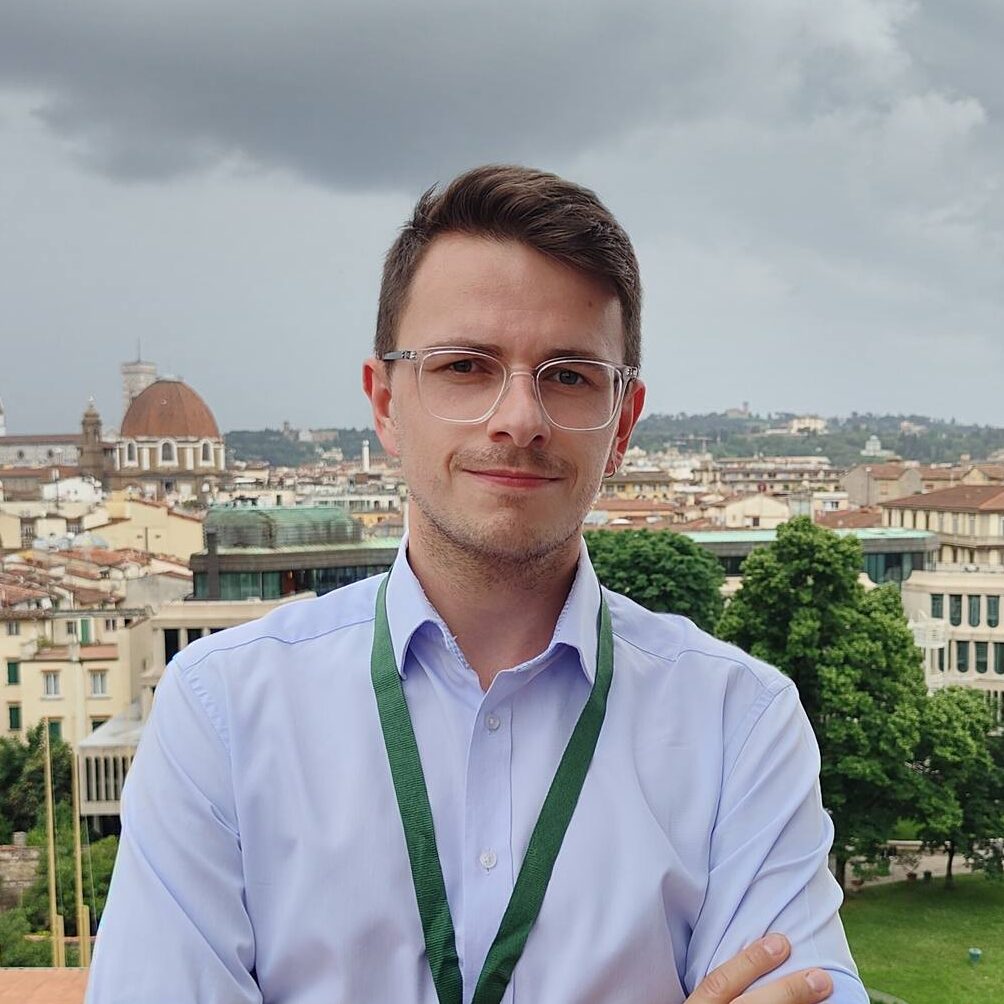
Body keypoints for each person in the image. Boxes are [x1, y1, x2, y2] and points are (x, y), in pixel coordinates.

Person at [86, 165, 867, 1003]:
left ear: (624, 423)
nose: (519, 419)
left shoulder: (740, 722)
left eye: (569, 374)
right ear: (385, 403)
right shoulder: (223, 713)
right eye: (466, 366)